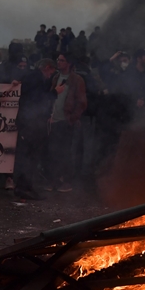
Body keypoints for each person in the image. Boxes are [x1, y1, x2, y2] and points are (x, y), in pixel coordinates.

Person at [11, 58, 57, 200]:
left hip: (34, 123)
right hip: (30, 123)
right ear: (47, 68)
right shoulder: (34, 78)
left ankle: (27, 185)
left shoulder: (34, 77)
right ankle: (21, 186)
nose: (51, 76)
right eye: (51, 72)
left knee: (32, 156)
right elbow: (37, 99)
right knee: (28, 156)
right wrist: (55, 93)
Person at [47, 53, 87, 192]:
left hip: (66, 121)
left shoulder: (77, 80)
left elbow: (81, 102)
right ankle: (54, 180)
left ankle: (67, 182)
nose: (59, 62)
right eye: (58, 59)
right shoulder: (56, 77)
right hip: (54, 119)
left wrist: (72, 118)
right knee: (53, 152)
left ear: (68, 63)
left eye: (62, 60)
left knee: (66, 152)